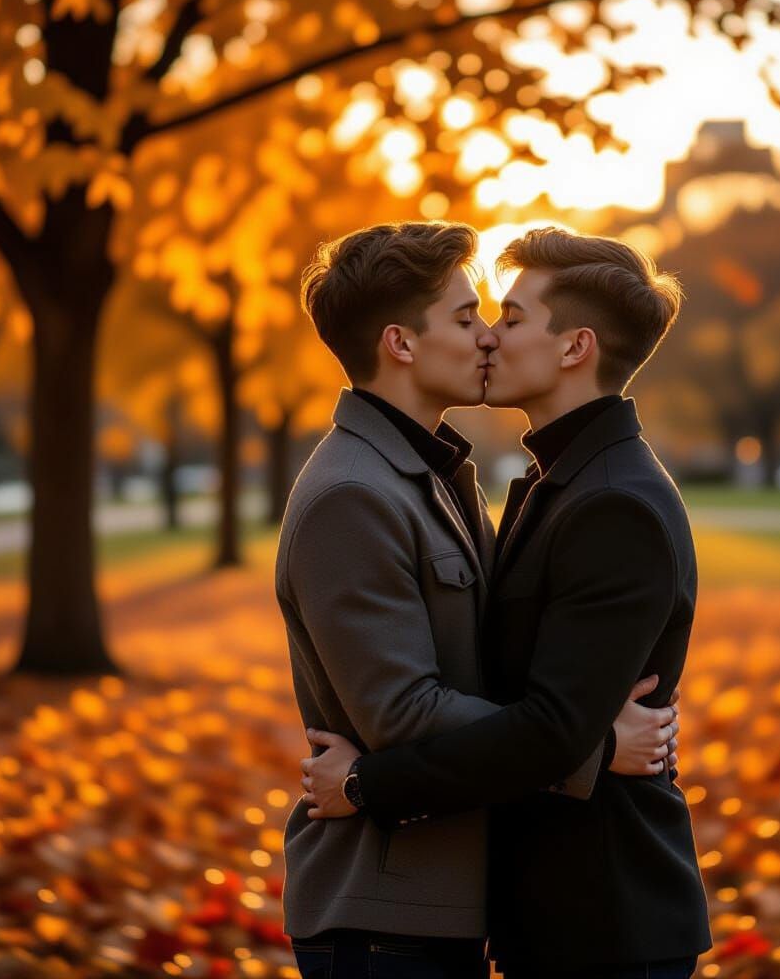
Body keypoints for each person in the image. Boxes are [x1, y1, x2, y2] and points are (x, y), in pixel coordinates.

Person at [302, 226, 713, 979]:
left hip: (605, 919)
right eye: (471, 318)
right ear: (400, 343)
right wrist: (592, 747)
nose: (489, 335)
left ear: (574, 348)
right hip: (516, 913)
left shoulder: (612, 500)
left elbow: (548, 718)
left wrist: (366, 784)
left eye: (509, 317)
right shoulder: (540, 486)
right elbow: (454, 704)